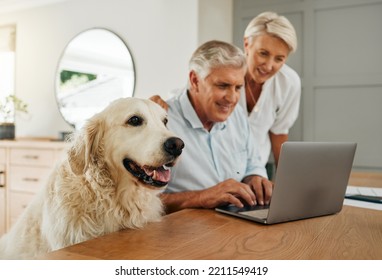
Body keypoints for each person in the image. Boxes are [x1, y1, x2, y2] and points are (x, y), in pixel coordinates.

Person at [156, 40, 273, 213]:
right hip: (183, 232)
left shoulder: (238, 115)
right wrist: (202, 197)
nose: (233, 98)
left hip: (235, 223)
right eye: (223, 86)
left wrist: (255, 177)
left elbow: (252, 164)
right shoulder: (161, 122)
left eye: (238, 87)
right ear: (195, 80)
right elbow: (142, 202)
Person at [241, 11, 301, 173]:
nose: (268, 66)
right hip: (218, 171)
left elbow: (279, 133)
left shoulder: (289, 83)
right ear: (247, 44)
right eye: (263, 53)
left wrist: (287, 182)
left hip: (256, 172)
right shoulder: (225, 73)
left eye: (279, 59)